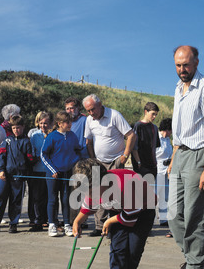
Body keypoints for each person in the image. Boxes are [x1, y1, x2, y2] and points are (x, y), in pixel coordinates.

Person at [167, 45, 204, 269]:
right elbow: (179, 132)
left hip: (200, 156)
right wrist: (174, 158)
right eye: (178, 65)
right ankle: (192, 258)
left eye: (186, 64)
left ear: (196, 62)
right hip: (180, 154)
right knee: (172, 214)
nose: (182, 70)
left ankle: (196, 268)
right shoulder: (178, 88)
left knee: (194, 215)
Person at [72, 158, 156, 269]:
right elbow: (88, 206)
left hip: (142, 211)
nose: (90, 195)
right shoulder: (92, 187)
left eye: (91, 191)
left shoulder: (125, 185)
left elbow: (131, 216)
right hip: (119, 210)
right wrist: (78, 220)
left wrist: (109, 221)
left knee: (133, 250)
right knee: (117, 249)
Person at [83, 94, 136, 236]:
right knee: (97, 193)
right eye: (88, 110)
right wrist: (93, 159)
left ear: (100, 105)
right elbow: (88, 141)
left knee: (114, 194)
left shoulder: (114, 115)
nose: (91, 113)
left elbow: (131, 135)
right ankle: (100, 226)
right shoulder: (89, 120)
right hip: (98, 162)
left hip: (116, 161)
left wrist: (125, 156)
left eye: (93, 109)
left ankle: (115, 226)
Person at [0, 115, 34, 233]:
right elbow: (0, 156)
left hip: (19, 177)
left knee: (16, 200)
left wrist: (27, 169)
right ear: (11, 128)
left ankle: (13, 223)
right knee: (0, 198)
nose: (17, 130)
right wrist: (1, 170)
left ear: (23, 127)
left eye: (19, 128)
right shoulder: (7, 141)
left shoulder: (27, 142)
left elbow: (30, 159)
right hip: (4, 176)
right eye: (14, 128)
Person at [41, 111, 80, 237]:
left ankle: (67, 224)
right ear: (59, 123)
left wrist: (75, 164)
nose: (70, 124)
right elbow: (43, 154)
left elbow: (77, 150)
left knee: (66, 198)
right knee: (52, 199)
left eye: (70, 122)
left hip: (67, 172)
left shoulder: (72, 136)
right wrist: (52, 170)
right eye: (67, 122)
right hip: (53, 174)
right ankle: (52, 224)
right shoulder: (52, 137)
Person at [65, 97, 88, 226]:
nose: (69, 111)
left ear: (78, 108)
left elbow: (88, 139)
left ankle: (82, 220)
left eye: (72, 108)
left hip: (83, 161)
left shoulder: (85, 120)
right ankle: (72, 220)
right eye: (67, 108)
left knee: (82, 191)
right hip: (68, 161)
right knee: (71, 192)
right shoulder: (64, 122)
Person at [29, 111, 53, 231]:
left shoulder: (53, 135)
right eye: (41, 123)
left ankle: (50, 219)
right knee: (38, 197)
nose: (43, 125)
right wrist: (35, 157)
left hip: (50, 170)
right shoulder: (34, 135)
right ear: (38, 123)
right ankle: (38, 220)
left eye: (46, 123)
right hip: (37, 169)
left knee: (50, 196)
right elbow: (32, 151)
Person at [131, 102, 160, 177]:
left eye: (156, 115)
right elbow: (134, 148)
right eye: (153, 114)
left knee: (151, 188)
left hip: (152, 167)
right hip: (141, 167)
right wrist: (138, 162)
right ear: (146, 112)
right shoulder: (138, 126)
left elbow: (154, 147)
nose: (154, 117)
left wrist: (155, 163)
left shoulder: (155, 128)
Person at [155, 118, 173, 231]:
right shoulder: (156, 138)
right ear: (168, 129)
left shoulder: (167, 140)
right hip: (157, 170)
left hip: (167, 171)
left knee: (165, 196)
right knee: (153, 195)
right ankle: (148, 218)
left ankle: (163, 218)